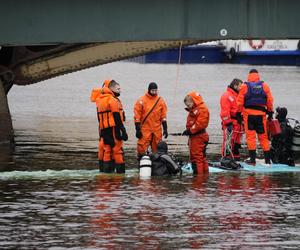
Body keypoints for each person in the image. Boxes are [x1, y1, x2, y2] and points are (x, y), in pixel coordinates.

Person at [237, 69, 274, 165]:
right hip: (261, 116)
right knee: (263, 137)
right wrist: (270, 112)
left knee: (250, 137)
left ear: (249, 76)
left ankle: (252, 160)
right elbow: (270, 100)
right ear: (258, 75)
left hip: (249, 115)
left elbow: (240, 102)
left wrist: (238, 114)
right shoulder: (264, 86)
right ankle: (267, 160)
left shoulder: (244, 86)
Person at [94, 80, 128, 173]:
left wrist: (100, 131)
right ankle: (121, 173)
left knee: (107, 150)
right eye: (118, 89)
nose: (120, 91)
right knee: (118, 150)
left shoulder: (99, 100)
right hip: (114, 128)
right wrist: (123, 130)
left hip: (104, 129)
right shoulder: (112, 100)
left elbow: (99, 118)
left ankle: (106, 172)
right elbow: (117, 117)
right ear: (111, 89)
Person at [134, 82, 168, 159]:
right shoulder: (141, 101)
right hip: (145, 129)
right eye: (152, 90)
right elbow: (137, 116)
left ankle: (156, 164)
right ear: (149, 90)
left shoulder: (160, 101)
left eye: (155, 90)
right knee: (141, 148)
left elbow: (163, 116)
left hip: (157, 129)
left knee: (157, 149)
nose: (154, 92)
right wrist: (138, 129)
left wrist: (165, 129)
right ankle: (141, 162)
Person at [90, 79, 115, 172]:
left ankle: (103, 170)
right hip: (107, 127)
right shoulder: (108, 99)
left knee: (102, 148)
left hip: (102, 127)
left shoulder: (99, 99)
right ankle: (108, 170)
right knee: (108, 149)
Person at [182, 91, 210, 174]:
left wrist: (190, 130)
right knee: (201, 158)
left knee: (197, 158)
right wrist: (189, 131)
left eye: (188, 105)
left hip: (198, 137)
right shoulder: (196, 109)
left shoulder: (202, 109)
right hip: (196, 136)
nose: (188, 107)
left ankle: (198, 179)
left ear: (193, 101)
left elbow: (200, 124)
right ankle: (204, 176)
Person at [220, 78, 243, 160]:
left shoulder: (238, 96)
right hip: (231, 124)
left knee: (236, 145)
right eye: (240, 86)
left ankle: (236, 159)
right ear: (235, 85)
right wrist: (228, 123)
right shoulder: (227, 96)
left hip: (238, 124)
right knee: (228, 143)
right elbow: (224, 112)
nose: (242, 88)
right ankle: (226, 159)